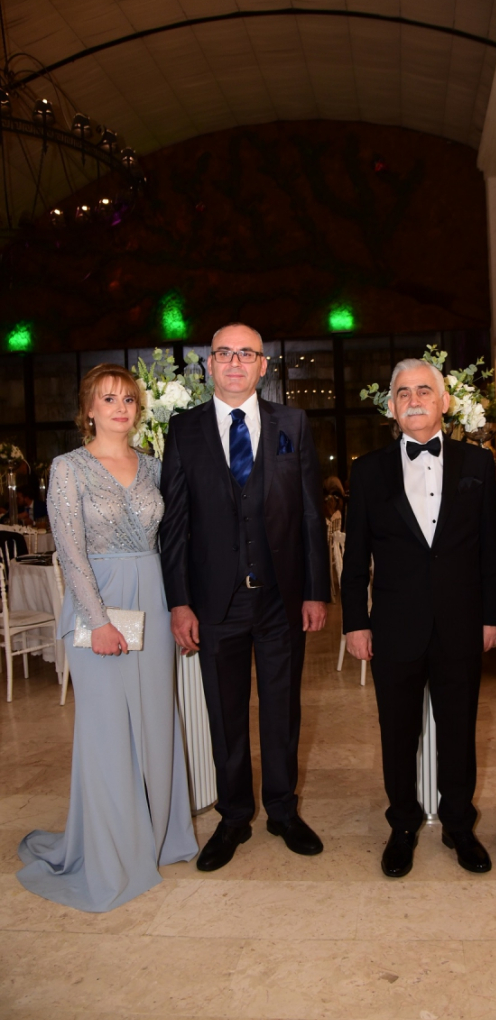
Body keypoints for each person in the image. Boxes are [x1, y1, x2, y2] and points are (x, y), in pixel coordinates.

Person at [16, 364, 197, 912]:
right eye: (108, 398)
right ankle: (111, 852)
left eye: (128, 399)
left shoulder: (155, 467)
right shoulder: (68, 468)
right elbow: (69, 550)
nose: (120, 407)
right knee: (106, 732)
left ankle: (160, 836)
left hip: (152, 601)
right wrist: (97, 622)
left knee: (156, 723)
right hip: (97, 603)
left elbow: (174, 541)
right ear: (89, 409)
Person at [160, 324, 330, 873]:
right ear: (209, 364)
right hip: (215, 603)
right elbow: (174, 524)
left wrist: (315, 591)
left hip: (281, 598)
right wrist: (179, 602)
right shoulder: (183, 429)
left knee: (282, 711)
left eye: (246, 354)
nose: (235, 362)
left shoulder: (292, 423)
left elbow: (311, 514)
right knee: (224, 714)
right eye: (224, 353)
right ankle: (234, 816)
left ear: (263, 365)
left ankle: (282, 811)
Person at [341, 358, 496, 878]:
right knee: (397, 733)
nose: (414, 400)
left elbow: (491, 550)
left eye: (424, 390)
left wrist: (492, 616)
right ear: (391, 407)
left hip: (462, 622)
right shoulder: (368, 470)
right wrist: (355, 622)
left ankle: (459, 824)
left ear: (444, 401)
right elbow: (355, 557)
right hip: (394, 626)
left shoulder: (477, 462)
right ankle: (403, 824)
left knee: (459, 729)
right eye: (403, 393)